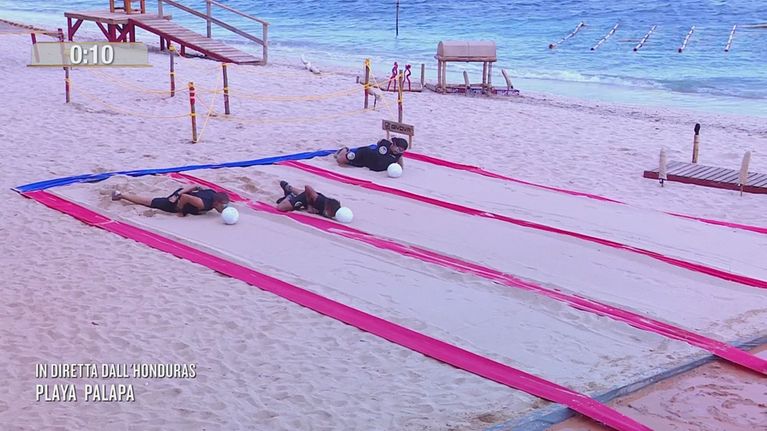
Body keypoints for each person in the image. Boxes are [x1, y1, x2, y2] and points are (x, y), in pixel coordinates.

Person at [111, 184, 230, 216]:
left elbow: (195, 186)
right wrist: (180, 210)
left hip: (183, 193)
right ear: (216, 203)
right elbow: (185, 197)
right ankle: (120, 195)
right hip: (177, 200)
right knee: (150, 202)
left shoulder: (213, 194)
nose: (225, 207)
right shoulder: (202, 203)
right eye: (223, 205)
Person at [335, 137, 408, 172]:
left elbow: (401, 166)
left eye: (401, 150)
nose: (398, 151)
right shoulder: (385, 143)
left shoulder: (398, 155)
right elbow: (379, 142)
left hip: (369, 165)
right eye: (398, 149)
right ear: (394, 144)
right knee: (340, 160)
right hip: (365, 155)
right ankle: (344, 150)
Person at [275, 180, 341, 219]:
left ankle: (289, 188)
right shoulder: (320, 201)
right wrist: (310, 206)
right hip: (305, 199)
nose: (332, 216)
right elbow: (308, 187)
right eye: (332, 214)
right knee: (281, 207)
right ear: (329, 208)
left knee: (302, 193)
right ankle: (290, 196)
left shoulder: (333, 210)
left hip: (309, 196)